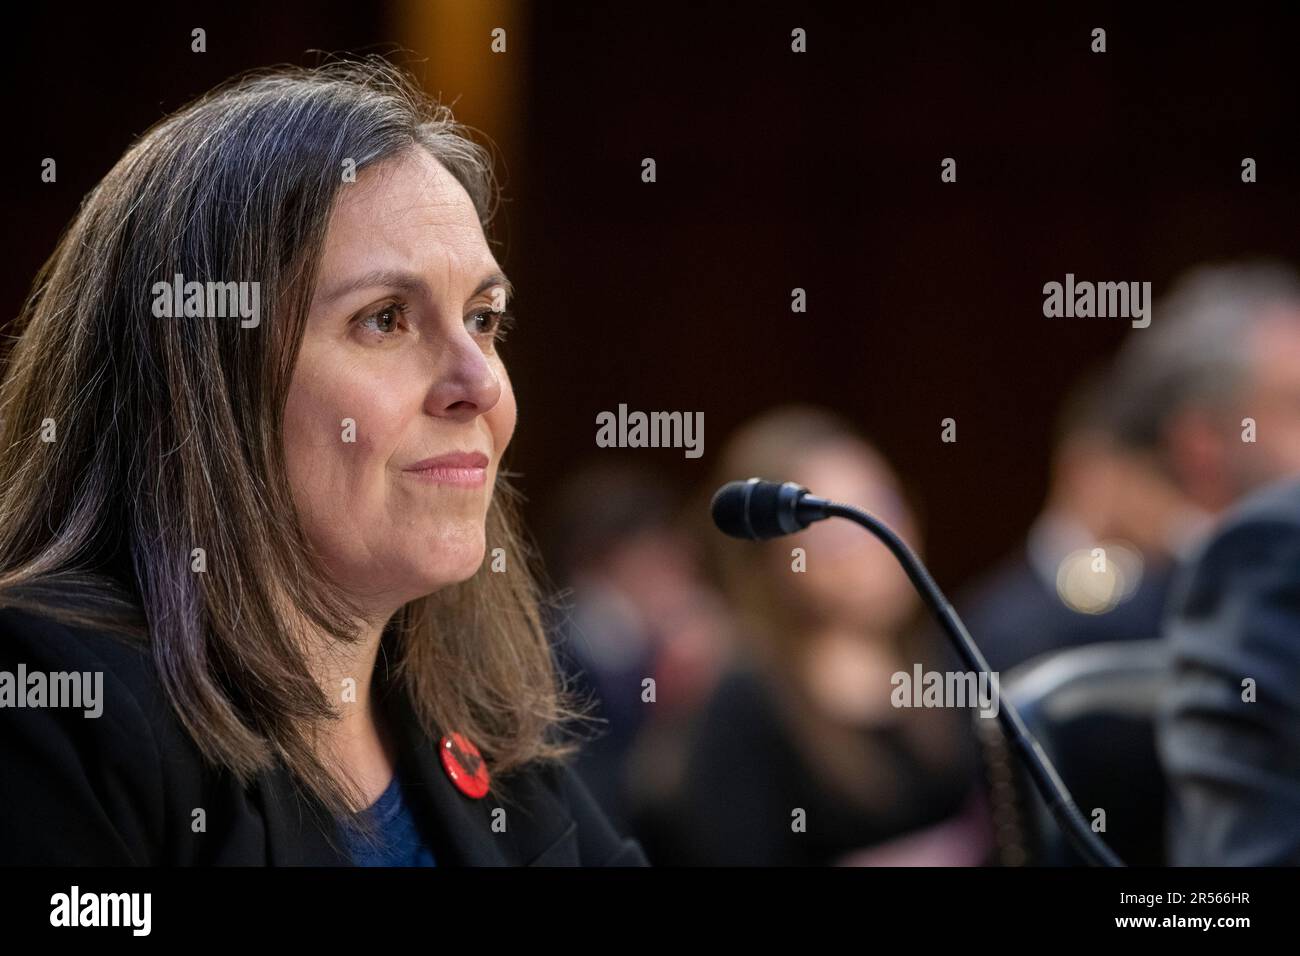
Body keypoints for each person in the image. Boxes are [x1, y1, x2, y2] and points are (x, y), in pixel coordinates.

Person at [0, 59, 647, 867]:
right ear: (204, 381)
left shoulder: (473, 718)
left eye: (484, 319)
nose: (480, 385)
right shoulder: (51, 700)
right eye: (385, 320)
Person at [644, 405, 992, 866]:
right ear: (771, 552)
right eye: (834, 528)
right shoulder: (742, 703)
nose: (875, 540)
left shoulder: (944, 654)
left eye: (882, 506)